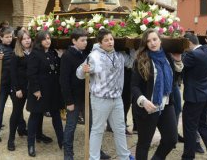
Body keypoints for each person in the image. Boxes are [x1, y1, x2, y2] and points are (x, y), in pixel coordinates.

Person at [77, 29, 135, 160]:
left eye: (111, 39)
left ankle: (124, 156)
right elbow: (79, 74)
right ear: (100, 43)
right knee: (98, 130)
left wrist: (132, 47)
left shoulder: (119, 56)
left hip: (117, 99)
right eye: (106, 40)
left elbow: (131, 62)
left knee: (120, 129)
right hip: (100, 100)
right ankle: (94, 158)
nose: (110, 42)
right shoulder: (93, 57)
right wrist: (83, 69)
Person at [131, 29, 183, 160]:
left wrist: (177, 62)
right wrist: (143, 101)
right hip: (147, 107)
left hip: (165, 104)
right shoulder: (142, 60)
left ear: (160, 40)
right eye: (148, 41)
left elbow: (172, 80)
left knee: (171, 139)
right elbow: (134, 86)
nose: (152, 43)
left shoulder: (166, 57)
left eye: (154, 39)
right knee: (144, 143)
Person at [181, 33, 207, 160]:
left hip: (193, 97)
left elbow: (180, 64)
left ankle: (188, 156)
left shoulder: (192, 55)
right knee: (203, 125)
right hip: (205, 95)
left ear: (189, 43)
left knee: (189, 128)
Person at [26, 31, 64, 157]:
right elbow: (31, 74)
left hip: (52, 91)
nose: (48, 41)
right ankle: (31, 145)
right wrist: (36, 90)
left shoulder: (53, 53)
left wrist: (60, 57)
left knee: (56, 116)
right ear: (39, 41)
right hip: (40, 91)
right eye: (45, 39)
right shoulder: (35, 54)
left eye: (49, 38)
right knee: (35, 117)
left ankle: (62, 141)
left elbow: (56, 69)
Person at [60, 28, 89, 160]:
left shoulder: (84, 54)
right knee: (71, 126)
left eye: (86, 40)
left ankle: (95, 150)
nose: (85, 43)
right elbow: (64, 80)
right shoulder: (67, 56)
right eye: (82, 40)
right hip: (74, 98)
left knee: (92, 124)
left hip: (85, 96)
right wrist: (69, 101)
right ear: (74, 41)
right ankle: (68, 152)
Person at [7, 30, 32, 151]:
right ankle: (11, 139)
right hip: (19, 89)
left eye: (28, 38)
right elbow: (13, 73)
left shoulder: (33, 53)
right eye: (24, 39)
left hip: (32, 88)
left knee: (35, 112)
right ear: (20, 41)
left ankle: (25, 131)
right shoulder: (16, 54)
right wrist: (17, 89)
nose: (27, 40)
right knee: (16, 113)